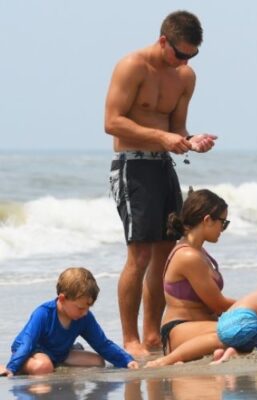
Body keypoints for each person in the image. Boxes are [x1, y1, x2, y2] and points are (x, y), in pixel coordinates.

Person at [104, 10, 217, 356]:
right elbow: (112, 122)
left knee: (165, 254)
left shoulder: (185, 77)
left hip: (164, 165)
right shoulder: (132, 66)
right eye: (179, 53)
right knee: (138, 255)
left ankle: (153, 336)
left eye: (191, 55)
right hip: (131, 166)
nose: (183, 61)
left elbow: (178, 129)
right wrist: (162, 137)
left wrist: (191, 140)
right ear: (163, 40)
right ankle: (131, 339)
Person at [0, 267, 138, 377]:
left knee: (97, 362)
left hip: (59, 353)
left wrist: (127, 360)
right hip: (33, 351)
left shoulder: (84, 317)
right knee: (43, 366)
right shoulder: (43, 313)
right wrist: (11, 369)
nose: (85, 312)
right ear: (62, 299)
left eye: (88, 307)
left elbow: (102, 344)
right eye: (80, 307)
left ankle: (65, 354)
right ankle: (10, 367)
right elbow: (27, 343)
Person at [160, 188, 236, 356]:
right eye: (223, 223)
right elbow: (218, 304)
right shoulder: (188, 256)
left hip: (203, 327)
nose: (222, 229)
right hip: (180, 329)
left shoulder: (200, 252)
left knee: (252, 328)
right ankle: (172, 359)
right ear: (208, 220)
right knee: (246, 330)